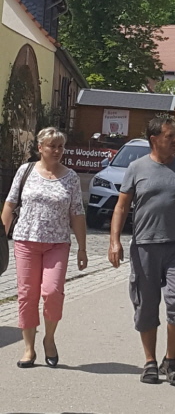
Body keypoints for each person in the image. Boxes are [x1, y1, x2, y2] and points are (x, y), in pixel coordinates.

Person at [108, 117, 175, 385]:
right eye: (170, 136)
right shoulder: (136, 168)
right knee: (146, 305)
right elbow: (121, 206)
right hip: (145, 246)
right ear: (154, 140)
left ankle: (170, 360)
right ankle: (150, 361)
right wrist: (114, 241)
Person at [1, 127, 87, 369]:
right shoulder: (25, 171)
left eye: (60, 146)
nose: (57, 150)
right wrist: (1, 237)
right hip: (25, 241)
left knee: (52, 292)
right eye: (52, 146)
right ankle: (28, 348)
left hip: (57, 243)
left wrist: (82, 248)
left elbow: (77, 213)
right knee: (27, 294)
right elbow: (10, 204)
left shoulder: (71, 177)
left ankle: (49, 338)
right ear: (40, 148)